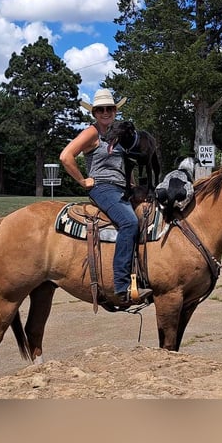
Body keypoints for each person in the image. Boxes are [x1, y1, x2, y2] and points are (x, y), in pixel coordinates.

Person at [59, 88, 153, 307]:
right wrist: (83, 181)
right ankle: (121, 285)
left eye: (109, 108)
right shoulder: (92, 133)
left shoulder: (118, 134)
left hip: (121, 188)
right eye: (100, 109)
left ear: (115, 111)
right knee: (129, 222)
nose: (105, 112)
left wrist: (133, 185)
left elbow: (125, 164)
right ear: (94, 113)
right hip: (102, 187)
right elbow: (65, 156)